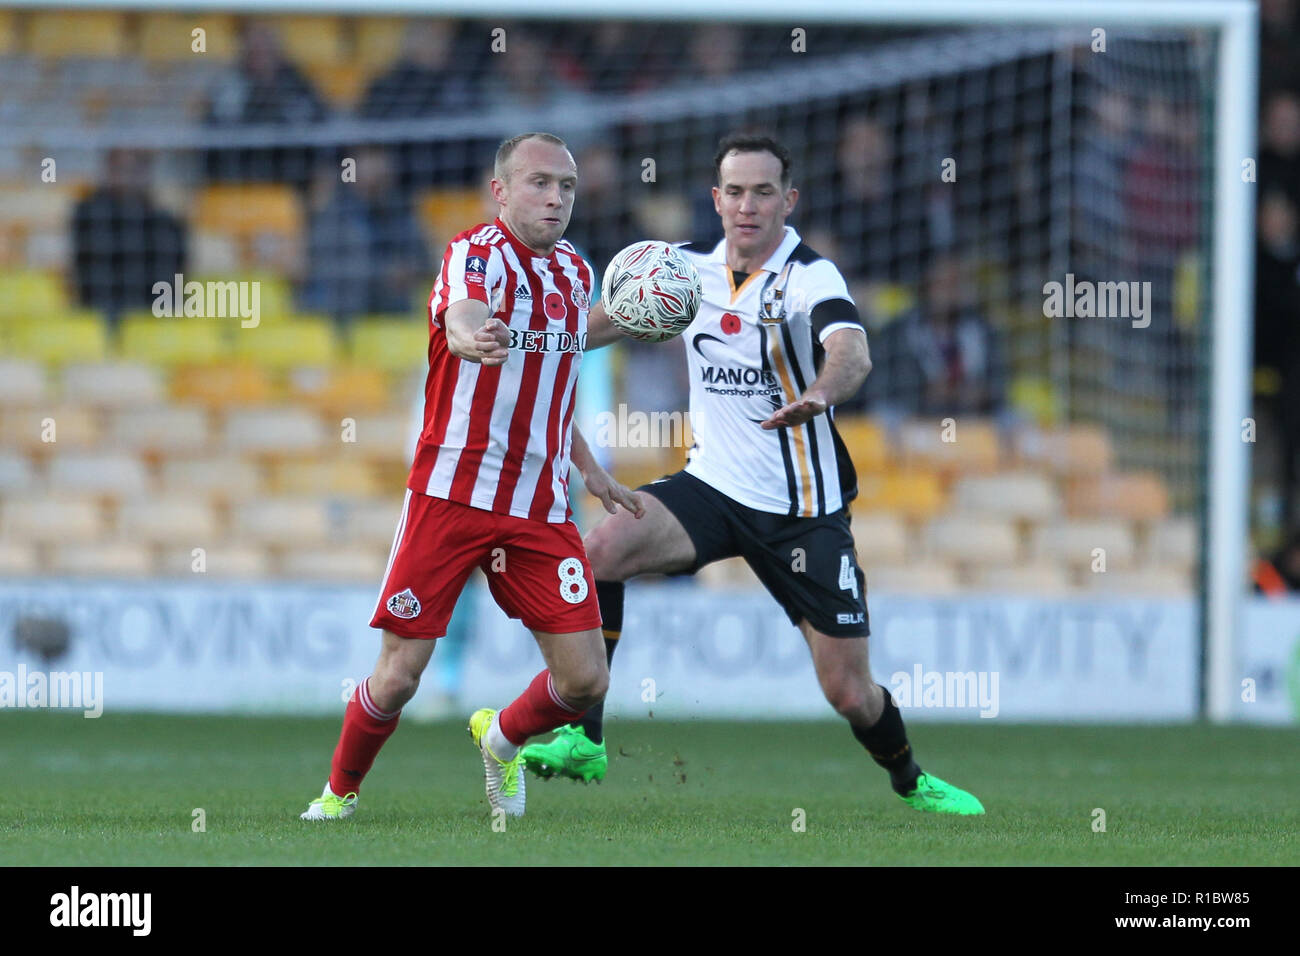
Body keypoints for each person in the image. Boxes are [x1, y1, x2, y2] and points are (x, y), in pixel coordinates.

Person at [523, 134, 984, 815]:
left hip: (803, 509)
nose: (747, 205)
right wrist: (528, 342)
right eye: (734, 191)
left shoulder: (809, 276)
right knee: (599, 552)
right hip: (710, 488)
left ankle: (910, 777)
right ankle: (584, 736)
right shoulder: (683, 272)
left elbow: (850, 352)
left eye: (763, 191)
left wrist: (823, 393)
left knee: (849, 693)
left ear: (787, 200)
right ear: (716, 200)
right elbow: (603, 323)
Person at [300, 132, 643, 821]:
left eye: (566, 187)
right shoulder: (472, 255)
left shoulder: (576, 272)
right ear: (501, 191)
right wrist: (471, 336)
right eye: (540, 182)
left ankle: (502, 736)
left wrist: (589, 467)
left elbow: (547, 384)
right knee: (399, 678)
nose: (554, 197)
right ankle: (338, 794)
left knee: (584, 679)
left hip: (539, 507)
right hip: (450, 496)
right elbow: (462, 319)